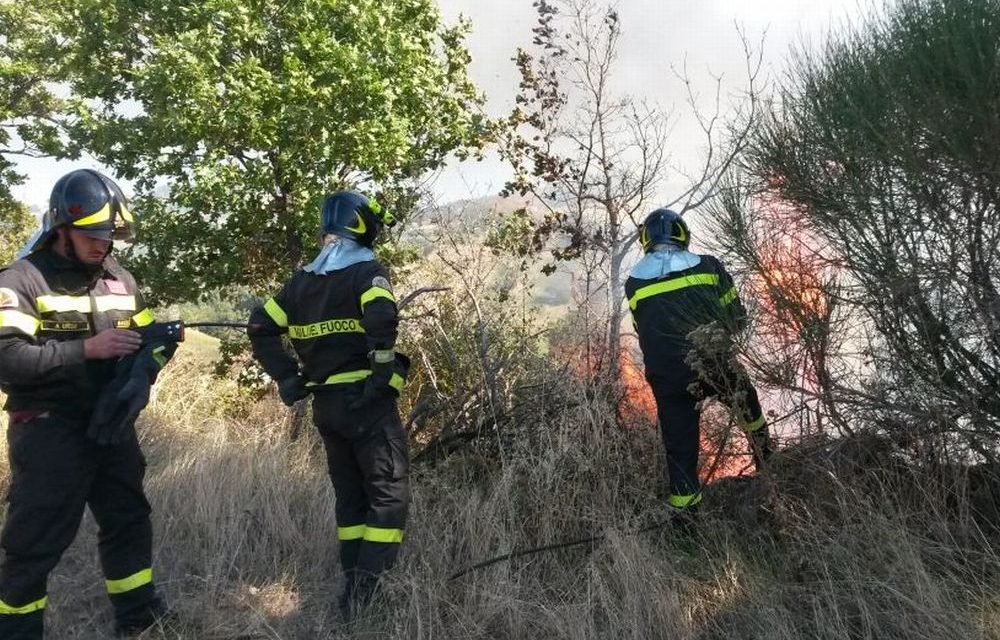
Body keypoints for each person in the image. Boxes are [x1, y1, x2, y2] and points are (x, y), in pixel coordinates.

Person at [0, 169, 175, 639]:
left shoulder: (119, 279)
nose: (104, 245)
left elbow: (145, 339)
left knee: (128, 519)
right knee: (36, 539)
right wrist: (86, 350)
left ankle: (138, 616)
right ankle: (17, 630)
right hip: (49, 427)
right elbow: (7, 359)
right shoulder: (22, 280)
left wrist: (152, 357)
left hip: (111, 422)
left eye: (111, 235)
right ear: (63, 229)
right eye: (94, 234)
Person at [248, 190, 409, 618]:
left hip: (326, 408)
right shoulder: (367, 273)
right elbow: (382, 319)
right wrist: (380, 376)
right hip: (366, 405)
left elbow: (260, 325)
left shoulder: (301, 282)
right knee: (389, 496)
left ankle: (350, 587)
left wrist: (286, 376)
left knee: (351, 500)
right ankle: (369, 596)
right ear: (363, 226)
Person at [625, 208, 773, 515]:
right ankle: (770, 469)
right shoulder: (708, 267)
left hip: (669, 380)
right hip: (716, 365)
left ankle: (686, 529)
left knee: (680, 455)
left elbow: (644, 332)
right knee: (751, 411)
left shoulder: (634, 284)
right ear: (682, 234)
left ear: (645, 240)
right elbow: (737, 319)